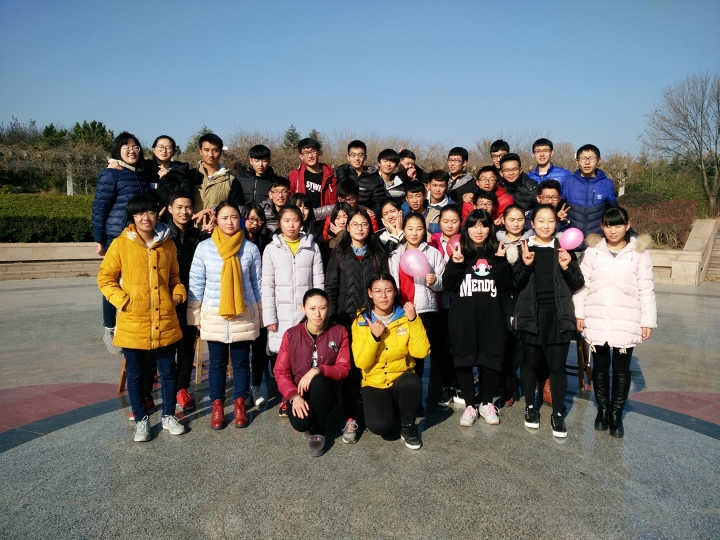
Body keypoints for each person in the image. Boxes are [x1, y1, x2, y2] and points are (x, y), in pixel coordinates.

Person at [97, 192, 186, 442]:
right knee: (136, 375)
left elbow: (175, 278)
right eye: (139, 213)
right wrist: (124, 301)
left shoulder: (168, 244)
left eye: (149, 212)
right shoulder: (120, 244)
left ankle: (169, 415)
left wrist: (177, 295)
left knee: (168, 372)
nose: (145, 217)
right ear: (132, 216)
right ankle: (141, 419)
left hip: (165, 320)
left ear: (158, 214)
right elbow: (105, 278)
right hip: (133, 322)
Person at [573, 207, 656, 438]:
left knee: (621, 369)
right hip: (596, 316)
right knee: (599, 367)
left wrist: (647, 320)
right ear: (602, 226)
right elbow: (582, 285)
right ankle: (603, 410)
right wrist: (580, 314)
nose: (613, 230)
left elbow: (646, 288)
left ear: (627, 226)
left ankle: (616, 414)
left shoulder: (639, 253)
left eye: (618, 225)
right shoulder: (593, 252)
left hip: (627, 318)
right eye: (608, 225)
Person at [512, 205, 585, 438]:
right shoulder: (524, 247)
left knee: (557, 367)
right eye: (541, 221)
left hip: (558, 316)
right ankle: (530, 406)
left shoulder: (564, 249)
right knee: (529, 365)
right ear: (532, 224)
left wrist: (567, 266)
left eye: (550, 221)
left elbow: (577, 283)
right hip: (530, 315)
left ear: (556, 224)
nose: (546, 225)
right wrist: (525, 265)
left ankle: (558, 412)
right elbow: (514, 284)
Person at [187, 202, 262, 430]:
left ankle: (239, 405)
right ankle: (217, 406)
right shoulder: (204, 248)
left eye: (234, 217)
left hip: (243, 313)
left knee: (241, 363)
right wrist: (195, 315)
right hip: (214, 312)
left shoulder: (250, 248)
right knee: (217, 364)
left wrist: (260, 313)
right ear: (216, 220)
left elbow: (257, 284)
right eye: (225, 217)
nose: (230, 222)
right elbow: (196, 283)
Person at [326, 208, 389, 443]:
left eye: (364, 224)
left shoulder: (377, 253)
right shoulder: (339, 253)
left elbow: (385, 285)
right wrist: (332, 318)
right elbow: (331, 287)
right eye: (355, 224)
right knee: (351, 370)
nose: (360, 228)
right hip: (346, 319)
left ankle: (373, 411)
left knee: (372, 365)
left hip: (373, 320)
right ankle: (351, 417)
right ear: (348, 227)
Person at [444, 210, 513, 426]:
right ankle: (470, 405)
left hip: (492, 317)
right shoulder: (460, 251)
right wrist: (455, 263)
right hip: (463, 318)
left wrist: (500, 262)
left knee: (490, 359)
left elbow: (507, 286)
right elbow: (448, 285)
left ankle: (486, 402)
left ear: (490, 228)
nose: (478, 230)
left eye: (483, 225)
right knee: (463, 359)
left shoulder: (497, 251)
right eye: (474, 225)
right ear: (467, 228)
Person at [352, 273, 430, 450]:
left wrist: (414, 320)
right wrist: (374, 338)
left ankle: (408, 426)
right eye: (378, 291)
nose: (383, 296)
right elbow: (361, 363)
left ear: (395, 292)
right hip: (375, 381)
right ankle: (392, 413)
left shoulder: (406, 316)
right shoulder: (361, 321)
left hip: (401, 379)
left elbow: (421, 352)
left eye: (388, 290)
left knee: (411, 381)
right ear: (370, 293)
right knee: (382, 427)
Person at [262, 205, 325, 415]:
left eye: (295, 220)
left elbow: (318, 281)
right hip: (280, 313)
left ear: (301, 222)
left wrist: (317, 310)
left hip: (305, 313)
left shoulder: (311, 246)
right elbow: (267, 286)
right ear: (280, 223)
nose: (291, 225)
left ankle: (303, 395)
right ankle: (286, 396)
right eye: (286, 220)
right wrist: (269, 317)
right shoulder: (271, 249)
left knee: (304, 355)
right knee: (282, 357)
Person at [273, 289, 351, 456]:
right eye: (312, 308)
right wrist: (294, 396)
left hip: (326, 389)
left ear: (328, 308)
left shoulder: (339, 331)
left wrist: (318, 369)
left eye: (322, 308)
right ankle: (310, 418)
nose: (317, 314)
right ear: (303, 308)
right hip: (298, 391)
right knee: (301, 424)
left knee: (319, 380)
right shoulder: (292, 334)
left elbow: (344, 368)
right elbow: (280, 372)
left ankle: (318, 431)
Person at [92, 131, 150, 353]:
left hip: (139, 236)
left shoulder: (140, 174)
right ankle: (110, 328)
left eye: (135, 147)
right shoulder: (111, 174)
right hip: (116, 236)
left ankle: (130, 328)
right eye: (126, 147)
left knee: (134, 282)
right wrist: (100, 240)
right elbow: (99, 208)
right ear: (118, 150)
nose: (132, 150)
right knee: (113, 281)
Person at [388, 212, 445, 391]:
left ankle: (426, 395)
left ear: (425, 230)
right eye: (410, 229)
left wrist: (434, 281)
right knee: (404, 354)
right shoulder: (395, 254)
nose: (414, 233)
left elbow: (442, 284)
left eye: (419, 229)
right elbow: (391, 281)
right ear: (403, 230)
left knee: (421, 354)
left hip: (424, 310)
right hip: (401, 310)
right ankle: (406, 394)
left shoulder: (433, 253)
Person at [167, 191, 207, 413]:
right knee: (165, 347)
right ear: (170, 209)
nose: (184, 212)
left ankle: (182, 388)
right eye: (179, 207)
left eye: (188, 207)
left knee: (186, 345)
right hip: (168, 298)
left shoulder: (199, 236)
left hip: (192, 297)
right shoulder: (163, 234)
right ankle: (165, 387)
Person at [429, 204, 462, 407]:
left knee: (458, 345)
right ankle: (443, 386)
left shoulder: (466, 242)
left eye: (454, 221)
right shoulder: (432, 243)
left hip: (460, 301)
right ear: (439, 222)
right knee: (440, 346)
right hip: (439, 301)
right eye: (446, 221)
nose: (450, 225)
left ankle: (459, 384)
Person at [243, 202, 273, 407]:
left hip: (262, 300)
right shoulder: (237, 241)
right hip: (244, 300)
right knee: (243, 349)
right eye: (251, 219)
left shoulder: (267, 240)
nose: (255, 223)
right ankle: (244, 389)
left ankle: (255, 385)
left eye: (259, 220)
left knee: (260, 347)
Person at [562, 144, 618, 236]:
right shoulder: (567, 183)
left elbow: (614, 212)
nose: (587, 162)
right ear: (577, 161)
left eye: (591, 158)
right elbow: (559, 209)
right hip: (572, 238)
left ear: (598, 161)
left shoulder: (607, 184)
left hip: (597, 239)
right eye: (583, 158)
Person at [136, 135, 192, 209]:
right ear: (153, 150)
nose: (164, 150)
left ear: (174, 151)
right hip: (148, 212)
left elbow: (184, 194)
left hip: (172, 213)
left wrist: (166, 178)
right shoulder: (144, 167)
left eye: (168, 147)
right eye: (161, 147)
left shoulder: (181, 170)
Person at [189, 133, 239, 212]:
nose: (210, 154)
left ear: (221, 152)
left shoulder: (231, 181)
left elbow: (235, 210)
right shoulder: (190, 175)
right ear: (200, 151)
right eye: (206, 150)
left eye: (215, 150)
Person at [334, 139, 386, 214]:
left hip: (364, 218)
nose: (357, 158)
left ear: (365, 157)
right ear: (348, 157)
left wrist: (365, 213)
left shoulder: (375, 179)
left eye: (360, 155)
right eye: (353, 155)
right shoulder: (341, 173)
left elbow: (378, 205)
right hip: (343, 216)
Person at [230, 144, 287, 208]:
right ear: (251, 161)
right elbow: (234, 202)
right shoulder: (240, 180)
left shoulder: (274, 181)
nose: (260, 165)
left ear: (269, 161)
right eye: (257, 161)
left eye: (264, 161)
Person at [288, 137, 337, 209]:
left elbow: (334, 201)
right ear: (301, 156)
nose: (310, 156)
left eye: (313, 151)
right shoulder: (295, 175)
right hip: (302, 215)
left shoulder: (330, 176)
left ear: (319, 152)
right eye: (306, 153)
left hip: (325, 215)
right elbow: (289, 197)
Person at [425, 170, 455, 234]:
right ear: (429, 185)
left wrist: (429, 226)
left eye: (441, 186)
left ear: (446, 187)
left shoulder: (451, 206)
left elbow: (451, 228)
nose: (438, 190)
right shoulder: (420, 198)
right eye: (434, 185)